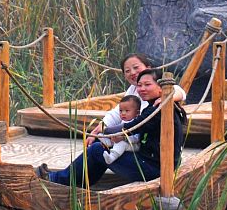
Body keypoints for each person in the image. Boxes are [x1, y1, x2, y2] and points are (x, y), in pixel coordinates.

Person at [43, 70, 186, 186]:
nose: (142, 89)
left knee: (96, 150)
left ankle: (55, 179)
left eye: (147, 85)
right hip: (154, 162)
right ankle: (73, 182)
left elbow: (134, 126)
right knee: (102, 149)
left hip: (155, 169)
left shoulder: (158, 108)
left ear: (160, 88)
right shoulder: (161, 105)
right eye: (139, 85)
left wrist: (105, 132)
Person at [99, 94, 141, 163]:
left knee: (121, 143)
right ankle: (108, 143)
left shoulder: (137, 122)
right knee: (101, 134)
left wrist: (123, 138)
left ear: (137, 113)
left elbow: (136, 138)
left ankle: (111, 157)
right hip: (118, 140)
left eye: (127, 111)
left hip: (133, 145)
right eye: (121, 111)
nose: (123, 113)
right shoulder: (123, 121)